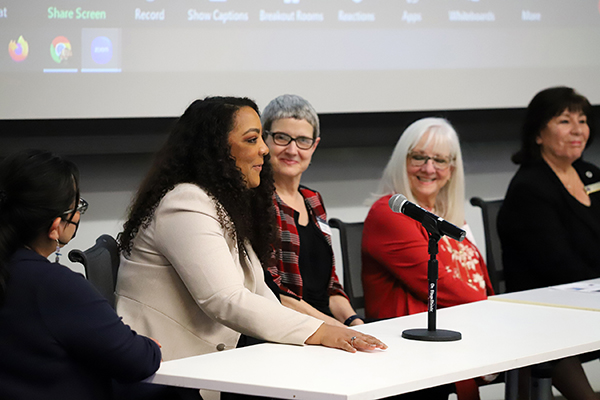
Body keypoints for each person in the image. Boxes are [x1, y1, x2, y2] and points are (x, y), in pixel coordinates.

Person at [115, 97, 386, 366]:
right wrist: (321, 331)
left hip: (211, 360)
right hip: (168, 369)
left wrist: (331, 330)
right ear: (216, 149)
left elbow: (259, 291)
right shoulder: (185, 201)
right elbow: (225, 299)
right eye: (252, 139)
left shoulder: (224, 202)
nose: (264, 150)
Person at [0, 150, 161, 400]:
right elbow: (136, 360)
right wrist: (151, 348)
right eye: (76, 207)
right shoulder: (52, 285)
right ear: (55, 227)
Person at [362, 117, 494, 400]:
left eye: (440, 160)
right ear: (402, 160)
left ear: (452, 168)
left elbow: (477, 279)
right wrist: (499, 318)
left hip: (456, 339)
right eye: (419, 157)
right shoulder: (389, 213)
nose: (429, 168)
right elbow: (443, 285)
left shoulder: (444, 215)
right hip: (410, 353)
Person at [498, 86, 600, 400]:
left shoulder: (589, 174)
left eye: (582, 120)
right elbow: (559, 266)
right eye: (565, 121)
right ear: (538, 134)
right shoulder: (530, 187)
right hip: (547, 313)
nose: (578, 130)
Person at [261, 94, 363, 328]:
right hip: (289, 330)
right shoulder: (259, 201)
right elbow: (273, 292)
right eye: (281, 138)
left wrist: (355, 322)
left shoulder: (313, 200)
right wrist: (337, 329)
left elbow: (331, 285)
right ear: (264, 140)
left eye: (303, 140)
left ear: (314, 145)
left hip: (328, 327)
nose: (292, 150)